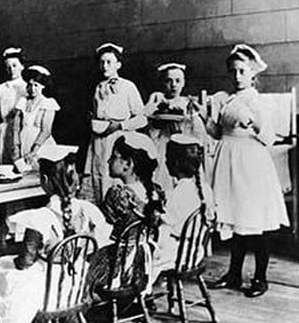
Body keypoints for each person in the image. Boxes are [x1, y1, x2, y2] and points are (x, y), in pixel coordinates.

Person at [0, 145, 110, 323]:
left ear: (45, 181)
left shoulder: (41, 218)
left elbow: (25, 262)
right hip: (74, 287)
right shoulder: (87, 210)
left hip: (49, 291)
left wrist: (14, 257)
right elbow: (98, 246)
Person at [202, 44, 289, 298]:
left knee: (254, 221)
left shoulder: (257, 101)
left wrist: (250, 120)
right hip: (229, 162)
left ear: (253, 73)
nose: (237, 76)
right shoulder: (230, 99)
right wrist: (205, 119)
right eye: (233, 71)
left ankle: (261, 277)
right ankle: (233, 274)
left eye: (242, 71)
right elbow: (219, 133)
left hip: (250, 165)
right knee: (236, 218)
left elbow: (269, 138)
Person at [87, 132, 164, 297]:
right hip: (141, 264)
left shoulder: (118, 194)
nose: (108, 161)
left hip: (118, 268)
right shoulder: (155, 192)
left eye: (113, 157)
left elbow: (103, 230)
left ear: (128, 164)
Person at [84, 43, 147, 205]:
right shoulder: (98, 88)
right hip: (98, 141)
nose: (104, 66)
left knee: (115, 181)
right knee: (99, 179)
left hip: (118, 141)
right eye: (102, 62)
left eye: (109, 62)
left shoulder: (128, 86)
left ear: (118, 65)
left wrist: (119, 126)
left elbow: (142, 119)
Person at [152, 134, 215, 281]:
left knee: (141, 254)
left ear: (175, 163)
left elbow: (167, 225)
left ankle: (143, 291)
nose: (165, 163)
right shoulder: (204, 188)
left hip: (177, 252)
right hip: (195, 250)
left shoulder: (179, 192)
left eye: (167, 159)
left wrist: (156, 214)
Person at [143, 62, 207, 193]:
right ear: (162, 83)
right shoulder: (158, 104)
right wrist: (156, 125)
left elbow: (199, 133)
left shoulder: (187, 104)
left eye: (178, 81)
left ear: (183, 83)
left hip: (184, 150)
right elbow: (149, 135)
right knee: (163, 181)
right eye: (168, 81)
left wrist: (188, 121)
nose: (173, 85)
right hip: (163, 147)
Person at [12, 65, 60, 171]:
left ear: (43, 86)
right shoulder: (22, 102)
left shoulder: (48, 103)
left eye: (36, 85)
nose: (32, 89)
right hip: (24, 142)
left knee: (41, 172)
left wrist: (33, 151)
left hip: (41, 145)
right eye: (30, 85)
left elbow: (46, 131)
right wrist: (16, 147)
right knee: (25, 173)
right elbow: (16, 128)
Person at [0, 47, 27, 164]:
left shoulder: (28, 88)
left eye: (14, 65)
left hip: (22, 131)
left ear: (22, 66)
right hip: (4, 132)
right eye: (8, 67)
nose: (12, 69)